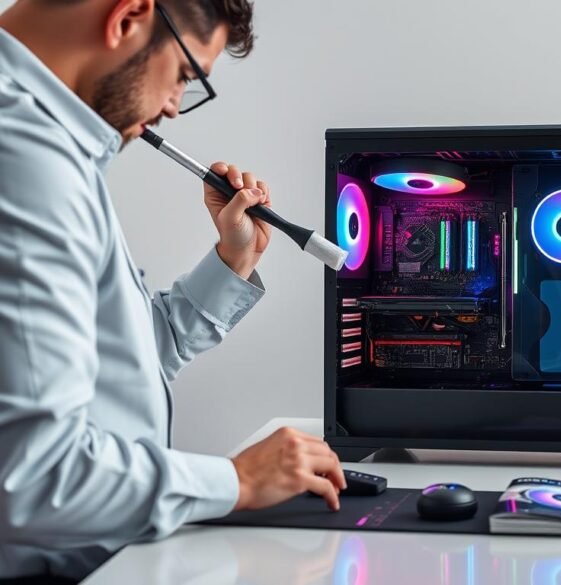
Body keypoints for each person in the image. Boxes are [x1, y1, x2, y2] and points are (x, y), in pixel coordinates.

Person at [0, 1, 346, 581]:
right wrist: (235, 481)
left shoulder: (47, 145)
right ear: (128, 15)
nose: (171, 107)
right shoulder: (26, 158)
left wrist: (233, 260)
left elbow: (111, 367)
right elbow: (33, 479)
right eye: (186, 76)